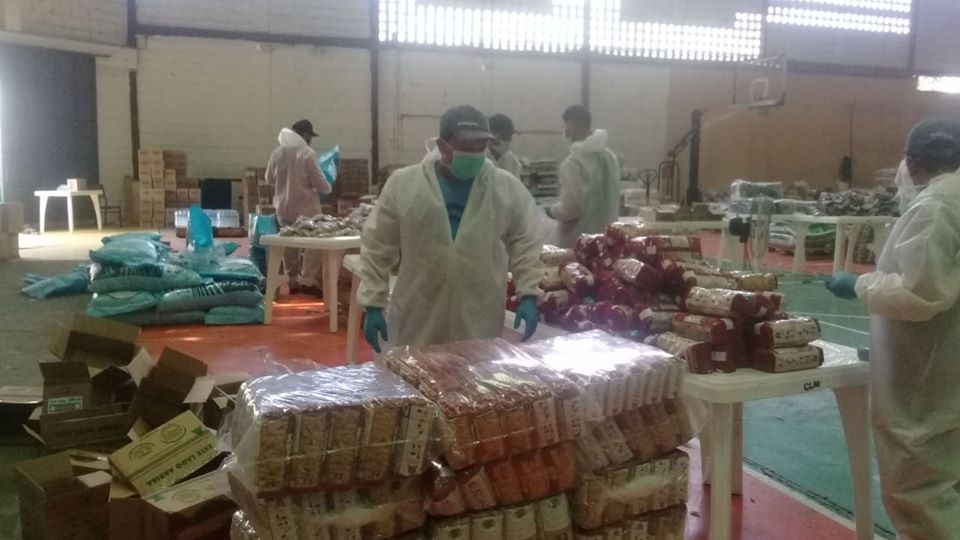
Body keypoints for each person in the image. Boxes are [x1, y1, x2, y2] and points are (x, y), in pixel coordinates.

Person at [826, 119, 960, 540]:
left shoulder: (936, 207)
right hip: (947, 360)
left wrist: (859, 286)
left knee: (919, 487)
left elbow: (921, 294)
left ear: (914, 161)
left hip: (928, 374)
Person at [359, 105, 541, 351]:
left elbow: (525, 241)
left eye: (480, 147)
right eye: (466, 147)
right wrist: (373, 302)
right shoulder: (405, 184)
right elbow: (377, 244)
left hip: (479, 316)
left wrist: (528, 292)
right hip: (418, 314)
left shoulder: (505, 188)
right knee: (416, 372)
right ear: (442, 146)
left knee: (475, 373)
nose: (475, 155)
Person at [265, 119, 333, 295]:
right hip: (306, 210)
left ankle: (292, 280)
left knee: (289, 245)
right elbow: (320, 184)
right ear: (305, 135)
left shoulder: (277, 153)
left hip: (283, 208)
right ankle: (307, 281)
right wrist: (328, 186)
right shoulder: (307, 153)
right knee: (314, 243)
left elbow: (268, 179)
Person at [545, 105, 621, 248]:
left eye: (565, 126)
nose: (565, 131)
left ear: (572, 125)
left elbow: (570, 208)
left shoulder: (573, 162)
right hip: (607, 239)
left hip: (581, 243)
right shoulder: (610, 157)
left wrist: (551, 211)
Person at [488, 113, 523, 178]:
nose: (509, 139)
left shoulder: (513, 162)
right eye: (504, 135)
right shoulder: (479, 159)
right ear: (490, 134)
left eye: (510, 136)